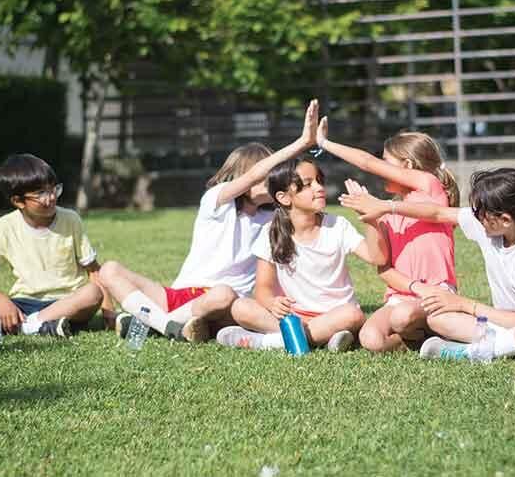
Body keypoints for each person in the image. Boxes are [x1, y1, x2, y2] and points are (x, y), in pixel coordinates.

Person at [99, 100, 320, 343]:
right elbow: (254, 175)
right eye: (263, 175)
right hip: (178, 295)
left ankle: (153, 323)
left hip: (223, 303)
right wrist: (300, 143)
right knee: (109, 269)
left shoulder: (273, 219)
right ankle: (169, 326)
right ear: (242, 176)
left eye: (273, 177)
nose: (269, 181)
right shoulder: (216, 201)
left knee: (223, 294)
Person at [341, 168, 515, 361]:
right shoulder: (488, 227)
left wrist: (464, 304)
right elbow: (436, 213)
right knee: (437, 319)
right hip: (502, 321)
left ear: (505, 219)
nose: (474, 217)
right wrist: (386, 206)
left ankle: (473, 352)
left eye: (480, 213)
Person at [315, 117, 460, 352]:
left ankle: (435, 327)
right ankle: (421, 338)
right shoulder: (385, 212)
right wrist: (370, 217)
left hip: (437, 292)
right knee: (370, 339)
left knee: (402, 317)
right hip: (404, 295)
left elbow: (366, 162)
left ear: (408, 166)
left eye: (386, 163)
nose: (379, 168)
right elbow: (382, 265)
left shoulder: (429, 185)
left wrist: (324, 143)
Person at [216, 157, 387, 352]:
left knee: (353, 315)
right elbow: (263, 289)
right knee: (240, 307)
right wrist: (272, 303)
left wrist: (369, 219)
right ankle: (316, 337)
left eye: (319, 181)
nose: (319, 187)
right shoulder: (270, 232)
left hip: (335, 314)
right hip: (293, 316)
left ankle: (271, 342)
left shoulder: (337, 226)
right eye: (307, 184)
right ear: (284, 197)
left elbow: (377, 258)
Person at [0, 154, 106, 337]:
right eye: (40, 194)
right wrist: (2, 301)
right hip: (22, 303)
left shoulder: (71, 219)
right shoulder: (4, 227)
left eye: (54, 189)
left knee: (93, 293)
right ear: (18, 201)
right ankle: (42, 325)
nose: (51, 198)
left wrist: (108, 311)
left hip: (68, 302)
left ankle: (17, 326)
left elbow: (94, 271)